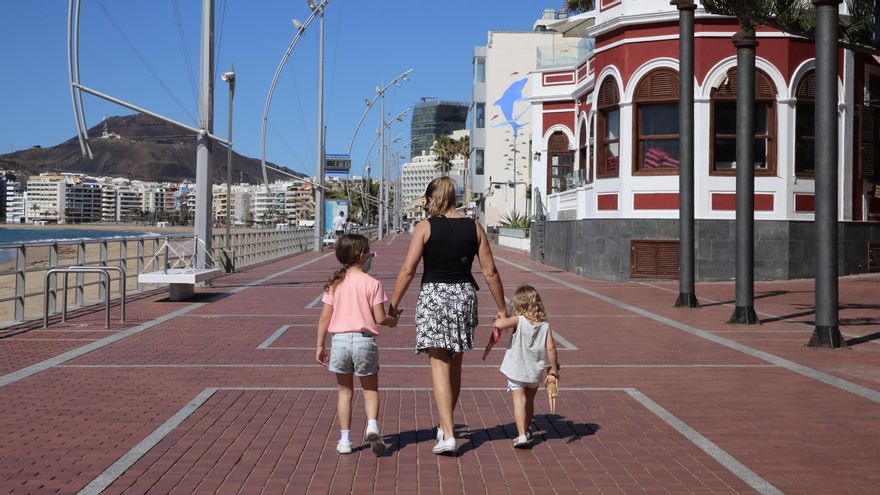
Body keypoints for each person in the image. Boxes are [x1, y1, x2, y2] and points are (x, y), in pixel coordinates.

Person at [388, 177, 507, 455]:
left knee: (439, 366)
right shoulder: (474, 227)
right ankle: (444, 426)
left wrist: (392, 306)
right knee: (455, 366)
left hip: (435, 298)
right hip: (464, 296)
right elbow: (490, 272)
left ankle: (449, 434)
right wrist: (502, 308)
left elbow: (408, 270)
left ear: (431, 199)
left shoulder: (425, 227)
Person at [315, 234, 398, 455]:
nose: (371, 256)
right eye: (370, 252)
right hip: (364, 342)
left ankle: (345, 440)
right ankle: (372, 425)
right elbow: (380, 318)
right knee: (370, 389)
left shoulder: (335, 283)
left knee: (344, 391)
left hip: (339, 341)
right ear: (362, 256)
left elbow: (324, 318)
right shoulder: (373, 283)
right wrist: (394, 320)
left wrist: (320, 345)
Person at [493, 285, 559, 449]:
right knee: (529, 401)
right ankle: (528, 429)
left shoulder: (519, 320)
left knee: (519, 400)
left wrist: (500, 317)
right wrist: (554, 369)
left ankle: (522, 435)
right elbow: (551, 348)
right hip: (534, 371)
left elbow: (500, 324)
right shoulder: (545, 325)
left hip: (516, 370)